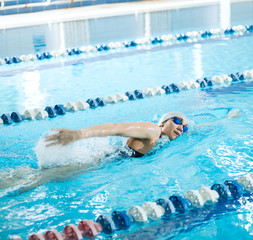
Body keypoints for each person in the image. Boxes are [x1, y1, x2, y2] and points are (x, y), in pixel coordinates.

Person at [45, 111, 189, 158]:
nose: (181, 127)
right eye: (177, 121)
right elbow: (115, 128)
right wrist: (79, 134)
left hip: (114, 160)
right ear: (163, 122)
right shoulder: (153, 129)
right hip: (102, 162)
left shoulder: (162, 138)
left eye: (185, 127)